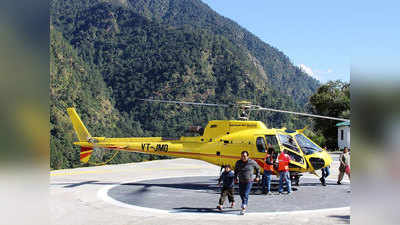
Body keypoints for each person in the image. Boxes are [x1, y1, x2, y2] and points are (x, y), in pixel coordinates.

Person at [234, 151, 260, 215]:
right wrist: (235, 178)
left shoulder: (252, 162)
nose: (243, 157)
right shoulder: (238, 162)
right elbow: (236, 170)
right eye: (242, 156)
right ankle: (244, 202)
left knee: (246, 193)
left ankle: (243, 206)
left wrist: (257, 177)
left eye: (244, 156)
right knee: (241, 193)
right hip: (241, 181)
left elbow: (258, 169)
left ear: (248, 156)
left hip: (249, 181)